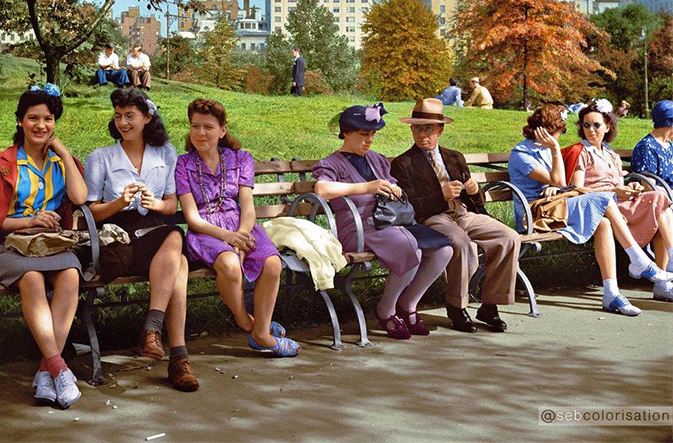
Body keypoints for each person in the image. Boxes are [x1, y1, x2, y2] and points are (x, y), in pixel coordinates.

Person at [0, 85, 87, 407]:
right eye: (33, 118)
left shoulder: (61, 163)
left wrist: (64, 153)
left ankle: (46, 372)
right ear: (20, 121)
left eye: (48, 119)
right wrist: (30, 222)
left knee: (71, 275)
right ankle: (59, 367)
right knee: (32, 278)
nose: (41, 125)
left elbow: (80, 199)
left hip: (49, 246)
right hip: (8, 248)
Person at [508, 104, 673, 317]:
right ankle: (639, 260)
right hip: (536, 213)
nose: (559, 138)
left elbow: (560, 183)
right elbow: (560, 180)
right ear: (545, 131)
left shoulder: (548, 150)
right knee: (605, 200)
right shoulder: (522, 153)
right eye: (558, 132)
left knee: (604, 223)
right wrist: (556, 156)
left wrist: (556, 182)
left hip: (559, 204)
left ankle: (611, 293)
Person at [85, 89, 198, 389]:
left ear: (147, 117)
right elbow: (91, 213)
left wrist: (155, 204)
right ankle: (175, 355)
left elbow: (171, 205)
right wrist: (118, 203)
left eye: (130, 115)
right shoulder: (101, 158)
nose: (123, 121)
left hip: (155, 232)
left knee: (173, 237)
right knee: (179, 260)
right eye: (118, 115)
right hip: (118, 237)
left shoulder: (166, 154)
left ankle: (157, 335)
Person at [313, 103, 452, 339]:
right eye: (363, 134)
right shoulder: (332, 163)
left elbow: (391, 182)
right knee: (411, 250)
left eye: (373, 134)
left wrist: (394, 189)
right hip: (357, 229)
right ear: (346, 132)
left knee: (444, 249)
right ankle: (386, 310)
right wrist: (367, 187)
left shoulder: (376, 160)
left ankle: (408, 305)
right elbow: (322, 189)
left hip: (390, 223)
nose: (369, 140)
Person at [175, 98, 300, 357]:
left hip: (242, 225)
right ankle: (250, 326)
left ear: (222, 130)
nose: (200, 133)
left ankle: (261, 330)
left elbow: (247, 204)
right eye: (195, 126)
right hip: (206, 231)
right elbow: (191, 217)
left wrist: (241, 234)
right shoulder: (184, 165)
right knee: (231, 265)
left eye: (208, 127)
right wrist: (228, 237)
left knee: (272, 263)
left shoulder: (240, 159)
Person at [390, 97, 520, 333]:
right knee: (461, 243)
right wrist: (440, 194)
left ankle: (490, 305)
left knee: (509, 237)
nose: (422, 134)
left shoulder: (454, 157)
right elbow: (410, 208)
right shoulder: (404, 163)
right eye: (416, 128)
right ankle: (456, 306)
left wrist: (474, 190)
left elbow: (475, 203)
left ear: (440, 130)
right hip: (433, 218)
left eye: (427, 128)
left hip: (463, 213)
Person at [563, 101, 673, 301]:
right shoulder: (581, 152)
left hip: (617, 204)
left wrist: (633, 188)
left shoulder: (611, 154)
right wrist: (614, 190)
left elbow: (620, 185)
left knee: (660, 198)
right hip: (595, 206)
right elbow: (577, 189)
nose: (591, 130)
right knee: (656, 204)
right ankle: (645, 266)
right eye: (586, 125)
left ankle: (667, 268)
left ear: (607, 126)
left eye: (596, 125)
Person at [630, 100, 673, 191]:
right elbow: (649, 187)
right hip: (662, 199)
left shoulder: (668, 145)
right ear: (669, 122)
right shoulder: (647, 147)